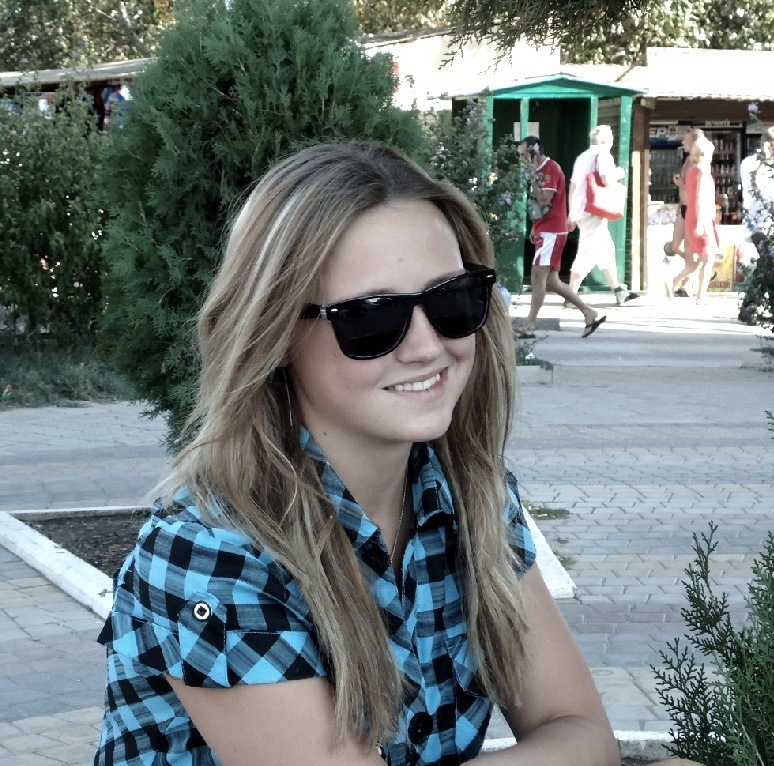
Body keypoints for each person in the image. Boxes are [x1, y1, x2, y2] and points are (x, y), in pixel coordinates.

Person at [93, 142, 705, 766]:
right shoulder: (211, 555)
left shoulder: (470, 497)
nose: (426, 346)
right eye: (372, 318)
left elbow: (581, 732)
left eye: (452, 301)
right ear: (275, 334)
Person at [514, 136, 606, 340]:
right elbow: (541, 206)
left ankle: (529, 325)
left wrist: (531, 176)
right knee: (552, 281)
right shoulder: (539, 170)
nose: (521, 159)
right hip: (546, 229)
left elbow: (544, 199)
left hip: (552, 231)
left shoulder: (550, 169)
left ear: (534, 153)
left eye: (523, 155)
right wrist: (535, 227)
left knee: (537, 276)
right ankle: (588, 312)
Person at [566, 125, 630, 307]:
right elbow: (606, 179)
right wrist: (619, 172)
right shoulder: (603, 155)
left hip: (582, 211)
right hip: (593, 211)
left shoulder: (582, 157)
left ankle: (618, 290)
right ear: (604, 140)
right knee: (588, 253)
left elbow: (573, 186)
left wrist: (571, 214)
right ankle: (571, 295)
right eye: (610, 138)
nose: (612, 141)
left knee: (603, 250)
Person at [738, 125, 774, 323]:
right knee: (771, 263)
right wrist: (765, 161)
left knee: (768, 264)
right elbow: (757, 188)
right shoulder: (751, 163)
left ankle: (753, 306)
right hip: (759, 222)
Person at [668, 134, 719, 304]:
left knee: (697, 260)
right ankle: (700, 296)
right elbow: (700, 198)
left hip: (691, 215)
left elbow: (690, 196)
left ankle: (675, 282)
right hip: (701, 218)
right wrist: (701, 222)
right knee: (707, 259)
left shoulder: (691, 171)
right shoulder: (703, 172)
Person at [665, 128, 704, 297]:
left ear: (694, 142)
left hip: (691, 207)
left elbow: (696, 189)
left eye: (686, 140)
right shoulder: (687, 159)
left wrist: (681, 184)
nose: (682, 143)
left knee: (689, 248)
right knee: (675, 246)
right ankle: (696, 267)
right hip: (682, 206)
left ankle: (687, 281)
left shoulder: (698, 163)